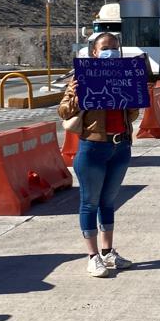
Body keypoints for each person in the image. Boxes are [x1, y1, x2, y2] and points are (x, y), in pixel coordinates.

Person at [58, 32, 140, 277]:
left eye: (115, 47)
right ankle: (93, 256)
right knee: (89, 202)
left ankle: (108, 252)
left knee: (108, 202)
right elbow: (63, 112)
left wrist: (135, 94)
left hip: (120, 147)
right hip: (93, 147)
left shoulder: (125, 76)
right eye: (105, 47)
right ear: (94, 52)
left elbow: (132, 115)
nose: (111, 51)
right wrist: (76, 94)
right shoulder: (82, 77)